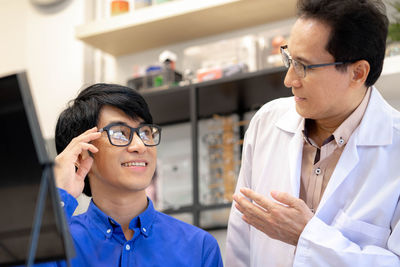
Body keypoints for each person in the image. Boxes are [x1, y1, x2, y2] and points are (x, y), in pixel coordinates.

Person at [225, 0, 400, 266]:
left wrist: (307, 236)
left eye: (304, 67)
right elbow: (241, 245)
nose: (289, 80)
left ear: (357, 73)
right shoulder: (267, 123)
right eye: (289, 59)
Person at [43, 83, 223, 266]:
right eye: (120, 133)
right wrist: (59, 193)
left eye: (145, 133)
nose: (140, 146)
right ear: (83, 152)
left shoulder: (198, 247)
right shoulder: (54, 245)